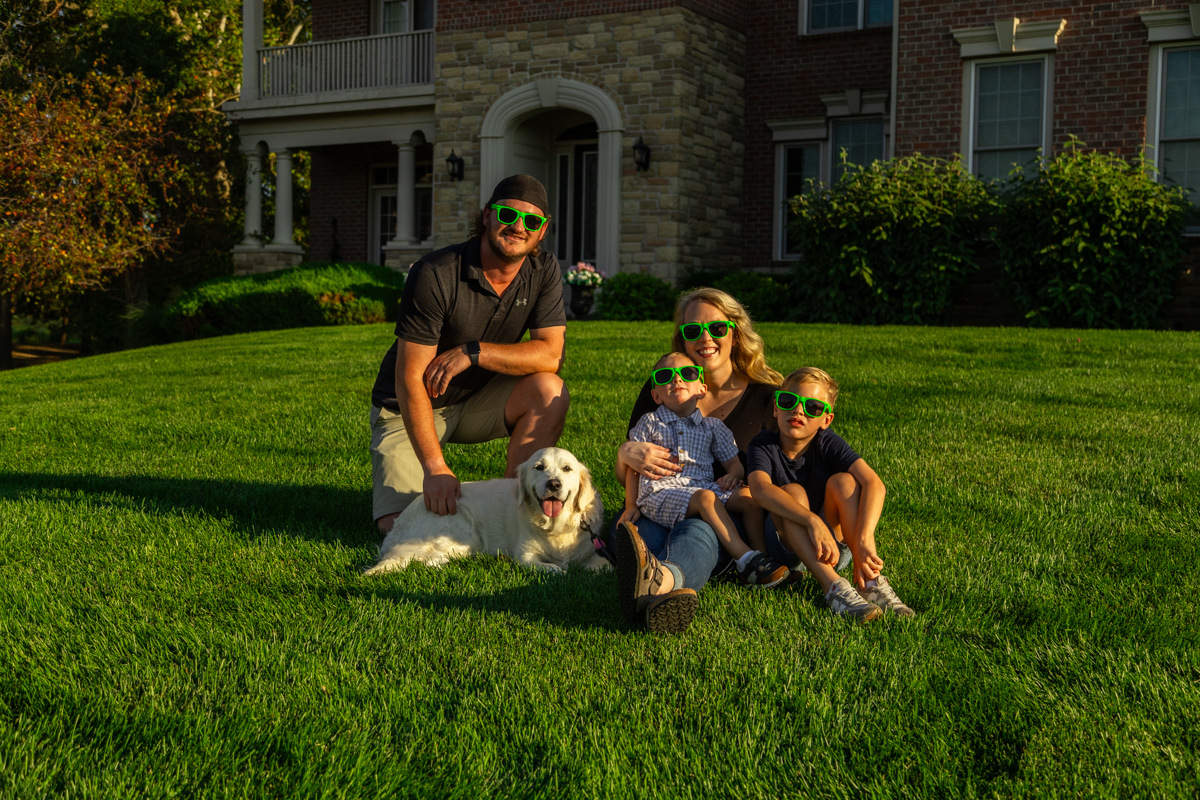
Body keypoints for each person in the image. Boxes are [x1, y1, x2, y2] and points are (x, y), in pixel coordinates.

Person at [613, 287, 846, 634]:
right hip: (665, 500)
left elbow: (806, 464)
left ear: (735, 334)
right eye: (692, 331)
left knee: (699, 531)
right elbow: (630, 472)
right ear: (683, 339)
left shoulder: (770, 396)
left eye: (717, 329)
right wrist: (624, 453)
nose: (705, 338)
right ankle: (649, 577)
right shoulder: (665, 388)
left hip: (736, 511)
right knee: (637, 530)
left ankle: (662, 581)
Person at [369, 174, 568, 536]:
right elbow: (409, 377)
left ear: (543, 230)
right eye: (508, 214)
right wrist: (435, 468)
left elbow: (550, 355)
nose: (518, 226)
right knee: (399, 527)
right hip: (411, 406)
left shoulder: (544, 271)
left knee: (549, 390)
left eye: (532, 221)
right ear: (487, 216)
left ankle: (513, 508)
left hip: (478, 400)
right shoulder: (436, 272)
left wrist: (473, 353)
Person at [747, 367, 916, 621]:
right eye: (788, 401)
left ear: (826, 419)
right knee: (792, 492)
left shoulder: (827, 442)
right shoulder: (763, 444)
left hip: (832, 547)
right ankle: (833, 587)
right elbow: (760, 490)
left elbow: (874, 483)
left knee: (844, 482)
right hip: (786, 548)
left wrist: (863, 538)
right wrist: (811, 520)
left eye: (812, 406)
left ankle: (869, 581)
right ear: (776, 408)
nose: (798, 411)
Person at [619, 351, 788, 588]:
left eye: (687, 374)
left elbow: (734, 464)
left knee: (748, 499)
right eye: (666, 376)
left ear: (701, 388)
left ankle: (761, 560)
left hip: (701, 488)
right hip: (659, 492)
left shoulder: (712, 427)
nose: (676, 380)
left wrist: (733, 476)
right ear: (656, 395)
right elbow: (634, 467)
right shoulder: (650, 422)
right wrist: (631, 505)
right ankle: (744, 558)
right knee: (706, 498)